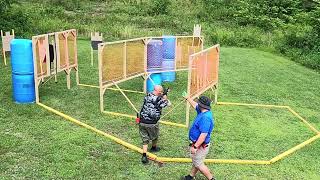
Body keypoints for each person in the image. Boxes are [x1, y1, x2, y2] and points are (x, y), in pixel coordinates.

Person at [183, 94, 215, 180]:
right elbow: (194, 105)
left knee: (198, 163)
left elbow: (203, 135)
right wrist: (188, 98)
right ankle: (190, 176)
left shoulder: (205, 118)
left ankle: (211, 178)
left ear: (201, 105)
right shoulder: (202, 111)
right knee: (197, 161)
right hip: (198, 144)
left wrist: (195, 146)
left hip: (200, 145)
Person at [139, 85, 170, 164]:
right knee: (155, 136)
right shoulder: (159, 99)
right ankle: (153, 147)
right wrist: (165, 95)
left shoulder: (148, 95)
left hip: (142, 121)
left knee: (145, 139)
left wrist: (162, 94)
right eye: (161, 91)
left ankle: (144, 155)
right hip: (152, 123)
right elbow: (167, 103)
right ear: (159, 92)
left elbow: (155, 99)